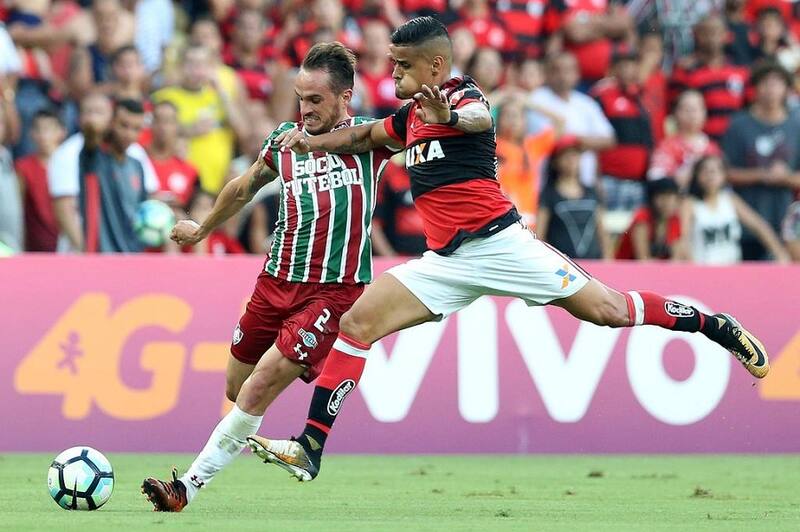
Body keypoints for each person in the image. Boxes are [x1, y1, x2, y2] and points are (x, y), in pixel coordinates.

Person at [250, 17, 771, 483]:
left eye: (403, 65)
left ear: (435, 65)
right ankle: (310, 446)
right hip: (446, 262)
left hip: (501, 245)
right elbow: (363, 136)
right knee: (357, 324)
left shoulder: (463, 96)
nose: (394, 73)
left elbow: (479, 119)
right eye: (392, 63)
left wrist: (450, 118)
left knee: (609, 311)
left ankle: (712, 324)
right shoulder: (410, 117)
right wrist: (310, 142)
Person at [140, 42, 396, 512]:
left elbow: (423, 132)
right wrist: (203, 228)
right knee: (237, 389)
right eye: (300, 98)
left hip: (334, 293)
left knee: (257, 389)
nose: (305, 109)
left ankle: (186, 489)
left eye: (316, 99)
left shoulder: (369, 139)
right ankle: (254, 421)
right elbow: (244, 187)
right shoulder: (285, 140)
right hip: (274, 282)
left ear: (345, 97)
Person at [52, 98, 153, 253]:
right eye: (123, 125)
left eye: (136, 128)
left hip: (130, 255)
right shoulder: (94, 157)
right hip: (99, 255)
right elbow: (91, 133)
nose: (129, 134)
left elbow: (141, 211)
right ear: (111, 122)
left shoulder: (137, 165)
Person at [722, 61, 800, 260]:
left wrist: (785, 178)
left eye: (777, 83)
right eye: (765, 82)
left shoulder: (796, 126)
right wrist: (763, 175)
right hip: (746, 222)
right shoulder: (739, 125)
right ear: (755, 88)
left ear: (787, 89)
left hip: (787, 222)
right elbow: (725, 173)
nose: (771, 89)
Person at [683, 155, 789, 265]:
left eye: (716, 170)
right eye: (705, 170)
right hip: (702, 268)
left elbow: (758, 226)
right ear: (697, 176)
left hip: (733, 268)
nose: (711, 175)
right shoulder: (689, 204)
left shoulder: (730, 199)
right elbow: (683, 239)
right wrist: (691, 265)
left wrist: (780, 253)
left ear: (724, 175)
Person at [537, 136, 612, 259]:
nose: (571, 160)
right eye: (566, 155)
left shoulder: (592, 192)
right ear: (555, 162)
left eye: (575, 155)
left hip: (595, 263)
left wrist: (608, 258)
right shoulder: (549, 194)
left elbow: (602, 231)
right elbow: (540, 234)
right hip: (563, 265)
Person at [15, 108, 65, 252]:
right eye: (38, 129)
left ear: (61, 132)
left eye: (48, 129)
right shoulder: (23, 167)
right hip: (34, 248)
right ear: (31, 134)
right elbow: (18, 210)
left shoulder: (70, 166)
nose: (43, 135)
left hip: (66, 247)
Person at [615, 178, 686, 261]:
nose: (667, 204)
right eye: (663, 198)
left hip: (657, 267)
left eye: (672, 199)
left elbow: (677, 257)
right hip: (626, 267)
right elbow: (643, 259)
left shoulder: (674, 219)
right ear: (652, 199)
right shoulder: (642, 218)